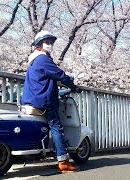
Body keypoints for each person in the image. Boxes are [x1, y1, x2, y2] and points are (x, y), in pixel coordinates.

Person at [21, 30, 81, 172]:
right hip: (43, 100)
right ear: (39, 44)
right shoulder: (43, 59)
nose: (50, 45)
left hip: (32, 98)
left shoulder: (33, 60)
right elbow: (59, 74)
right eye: (47, 42)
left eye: (51, 43)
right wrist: (73, 85)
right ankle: (63, 160)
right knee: (56, 127)